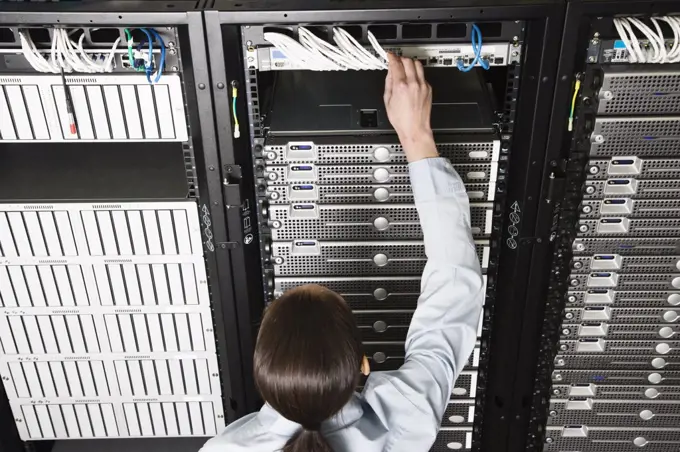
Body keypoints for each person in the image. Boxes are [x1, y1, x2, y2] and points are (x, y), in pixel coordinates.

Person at [200, 53, 485, 452]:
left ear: (267, 375)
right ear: (363, 366)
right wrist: (416, 136)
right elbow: (454, 290)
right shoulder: (406, 420)